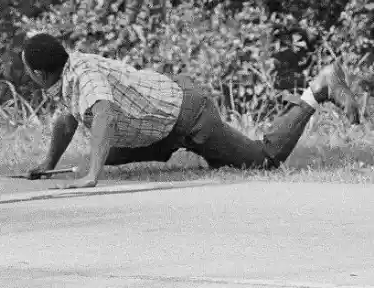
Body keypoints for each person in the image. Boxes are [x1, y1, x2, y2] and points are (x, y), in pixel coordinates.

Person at [21, 33, 360, 189]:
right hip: (165, 115)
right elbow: (66, 119)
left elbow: (105, 114)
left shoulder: (83, 75)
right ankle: (199, 151)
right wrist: (48, 164)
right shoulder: (68, 72)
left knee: (263, 159)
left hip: (189, 116)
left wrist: (90, 178)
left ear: (38, 73)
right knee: (103, 154)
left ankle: (317, 90)